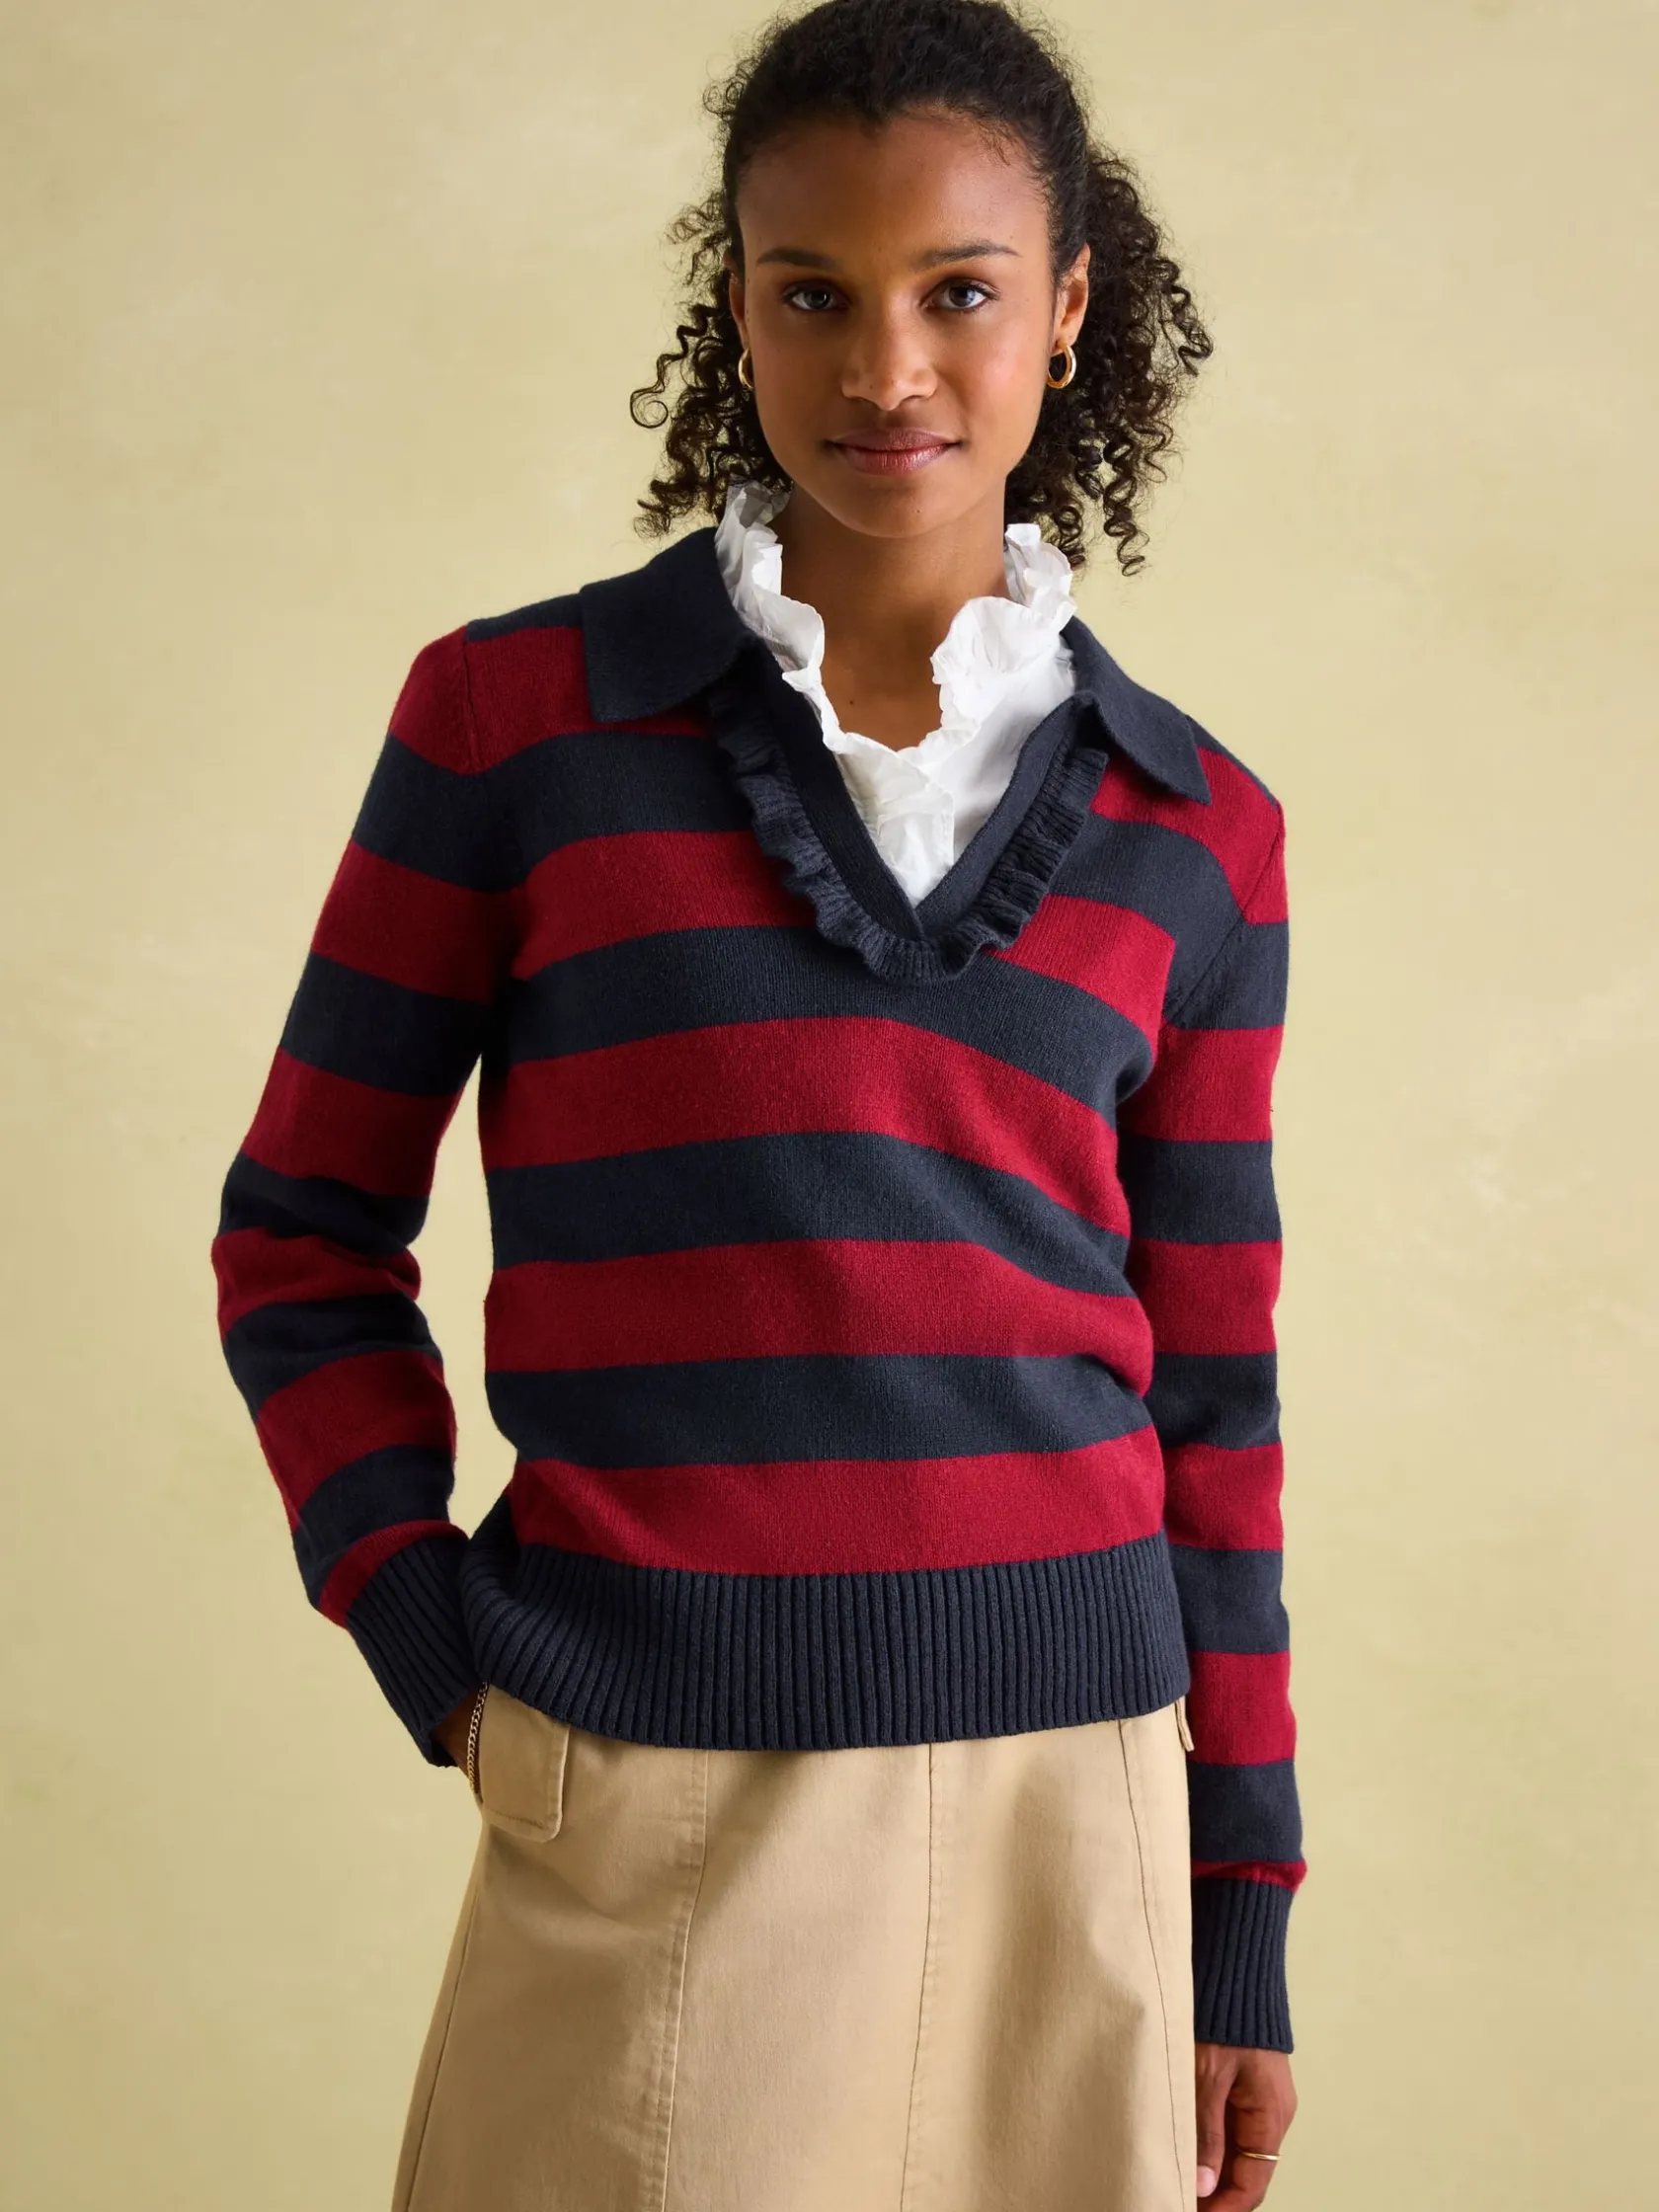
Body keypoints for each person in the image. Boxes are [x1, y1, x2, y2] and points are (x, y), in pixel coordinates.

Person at [210, 1, 1304, 2204]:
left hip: (1083, 1796)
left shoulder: (1200, 827)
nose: (887, 367)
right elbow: (300, 1234)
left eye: (960, 292)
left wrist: (1239, 1909)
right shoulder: (517, 726)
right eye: (815, 294)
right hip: (655, 1772)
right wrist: (429, 1629)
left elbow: (1213, 1393)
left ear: (1069, 308)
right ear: (736, 306)